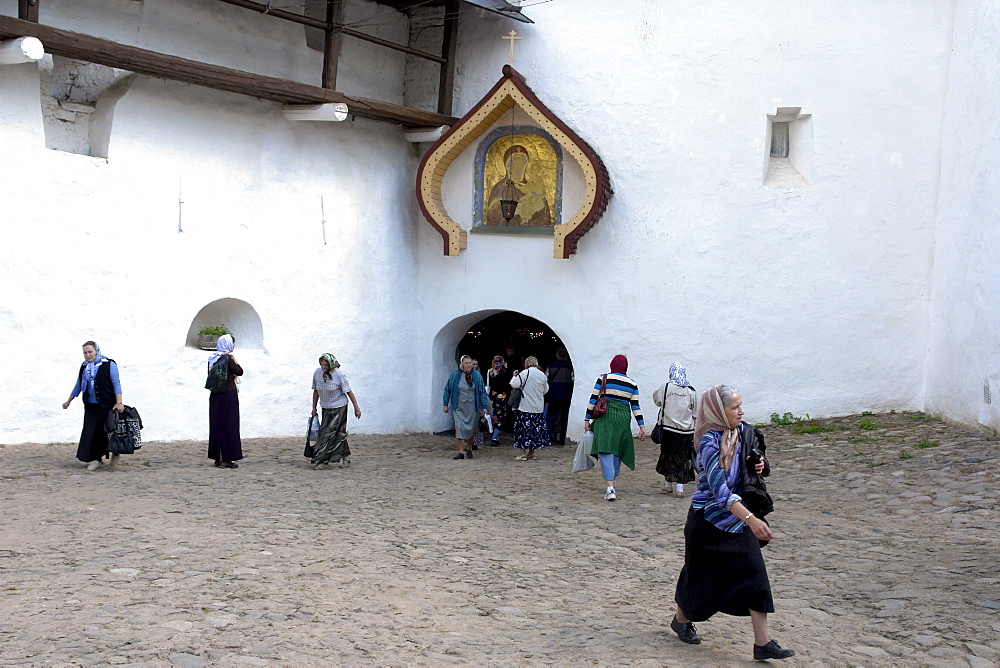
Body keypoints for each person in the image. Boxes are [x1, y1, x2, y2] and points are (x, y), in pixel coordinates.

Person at [670, 385, 794, 661]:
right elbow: (719, 490)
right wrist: (752, 520)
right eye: (734, 407)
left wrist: (760, 463)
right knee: (701, 578)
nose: (741, 411)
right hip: (708, 523)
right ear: (718, 410)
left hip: (737, 521)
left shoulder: (743, 432)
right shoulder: (708, 442)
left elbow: (757, 460)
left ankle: (762, 643)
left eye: (740, 405)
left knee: (755, 574)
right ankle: (681, 619)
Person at [584, 354, 646, 501]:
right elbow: (636, 407)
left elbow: (593, 400)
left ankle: (610, 487)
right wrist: (641, 426)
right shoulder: (632, 384)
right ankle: (613, 480)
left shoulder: (603, 378)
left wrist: (587, 419)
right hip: (623, 418)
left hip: (606, 417)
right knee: (617, 449)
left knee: (606, 449)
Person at [62, 341, 124, 471]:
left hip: (107, 405)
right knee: (90, 432)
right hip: (90, 405)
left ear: (96, 351)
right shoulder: (84, 367)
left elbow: (116, 383)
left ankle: (115, 453)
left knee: (106, 432)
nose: (87, 355)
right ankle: (96, 459)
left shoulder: (109, 364)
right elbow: (79, 384)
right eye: (85, 352)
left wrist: (119, 403)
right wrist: (69, 401)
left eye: (90, 352)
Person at [652, 362, 697, 497]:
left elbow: (657, 401)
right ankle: (678, 487)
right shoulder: (690, 391)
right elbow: (695, 412)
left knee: (668, 455)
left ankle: (671, 484)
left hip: (668, 429)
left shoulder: (666, 387)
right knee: (683, 457)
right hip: (686, 431)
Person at [310, 353, 362, 470]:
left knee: (327, 433)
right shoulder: (317, 373)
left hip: (339, 407)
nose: (323, 367)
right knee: (337, 433)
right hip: (325, 407)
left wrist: (356, 408)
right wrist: (314, 408)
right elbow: (316, 391)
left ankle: (321, 460)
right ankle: (345, 457)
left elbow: (349, 392)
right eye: (322, 364)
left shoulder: (339, 374)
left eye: (326, 365)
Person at [207, 334, 244, 469]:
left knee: (217, 425)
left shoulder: (212, 359)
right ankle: (227, 458)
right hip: (228, 395)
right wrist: (235, 360)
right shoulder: (228, 358)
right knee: (229, 425)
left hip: (215, 395)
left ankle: (218, 456)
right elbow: (239, 372)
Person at [442, 355, 489, 460]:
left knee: (471, 428)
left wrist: (484, 406)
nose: (469, 365)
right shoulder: (455, 375)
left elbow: (482, 391)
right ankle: (460, 451)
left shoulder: (476, 375)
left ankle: (469, 448)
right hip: (459, 406)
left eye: (470, 363)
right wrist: (445, 404)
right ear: (461, 364)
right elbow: (447, 389)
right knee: (459, 427)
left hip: (472, 406)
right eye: (466, 363)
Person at [509, 356, 549, 460]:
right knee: (535, 431)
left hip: (525, 407)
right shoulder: (542, 375)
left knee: (523, 430)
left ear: (526, 364)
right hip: (538, 407)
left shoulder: (524, 373)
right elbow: (545, 390)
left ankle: (522, 453)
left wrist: (514, 376)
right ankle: (532, 452)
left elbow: (514, 384)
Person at [545, 347, 574, 445]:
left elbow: (546, 379)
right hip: (566, 395)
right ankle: (562, 438)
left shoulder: (550, 366)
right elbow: (573, 380)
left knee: (551, 416)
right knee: (565, 417)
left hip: (553, 394)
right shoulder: (570, 367)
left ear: (557, 355)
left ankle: (548, 437)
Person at [487, 353, 513, 445]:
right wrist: (506, 368)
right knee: (501, 417)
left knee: (494, 416)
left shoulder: (490, 372)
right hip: (501, 397)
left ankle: (495, 436)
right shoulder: (503, 372)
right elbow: (509, 381)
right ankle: (494, 437)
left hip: (492, 397)